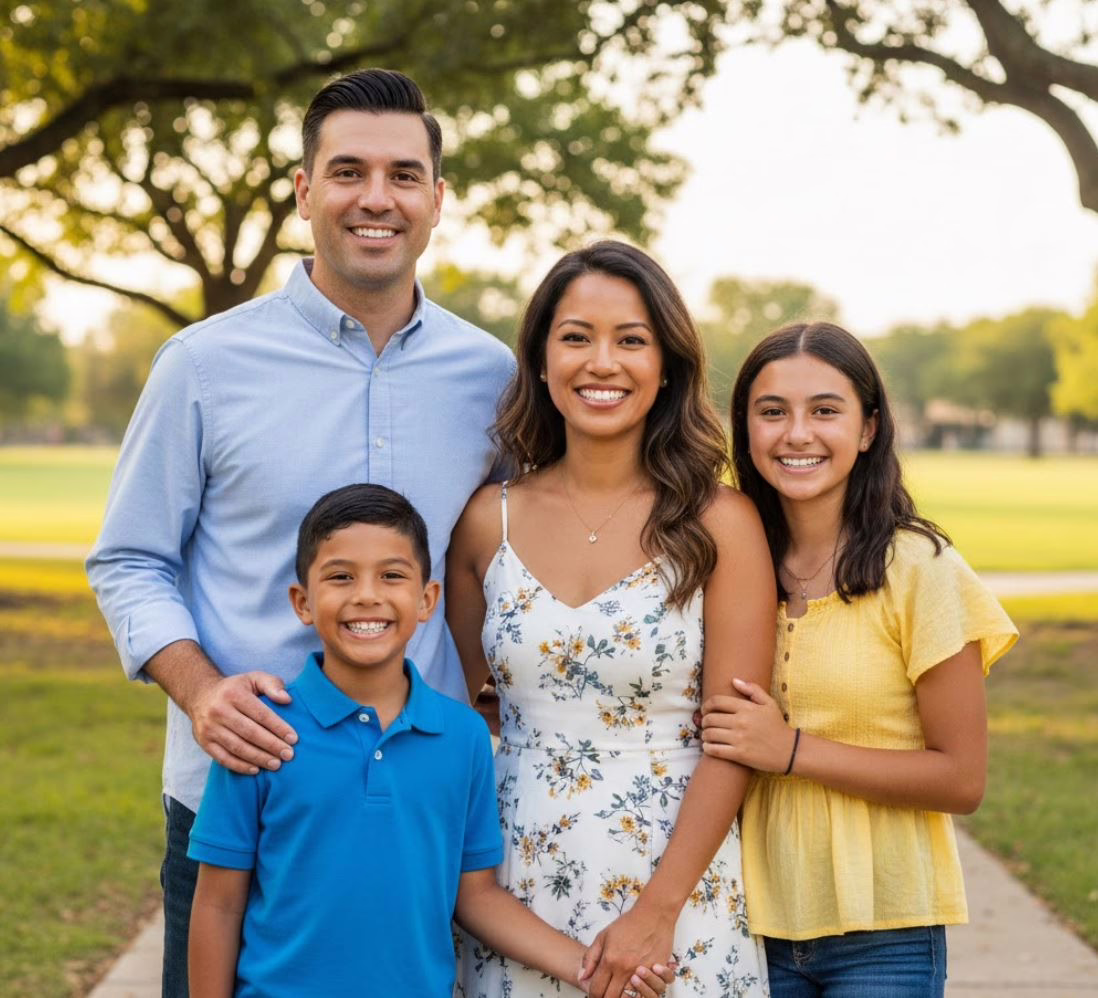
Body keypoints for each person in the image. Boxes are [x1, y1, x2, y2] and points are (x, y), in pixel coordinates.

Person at [85, 69, 515, 996]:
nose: (376, 198)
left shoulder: (493, 378)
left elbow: (514, 560)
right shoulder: (203, 364)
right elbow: (129, 559)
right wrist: (199, 691)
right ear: (304, 191)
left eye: (404, 175)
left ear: (438, 200)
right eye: (348, 170)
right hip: (235, 802)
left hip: (415, 811)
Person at [187, 484, 674, 998]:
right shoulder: (261, 732)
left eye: (392, 576)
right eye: (341, 577)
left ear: (427, 600)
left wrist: (587, 967)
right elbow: (218, 905)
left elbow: (477, 895)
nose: (367, 595)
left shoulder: (462, 736)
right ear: (302, 603)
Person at [448, 240, 773, 998]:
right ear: (538, 360)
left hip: (676, 895)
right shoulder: (483, 523)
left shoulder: (721, 522)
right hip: (514, 883)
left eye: (631, 340)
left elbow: (737, 737)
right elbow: (473, 707)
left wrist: (657, 914)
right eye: (576, 337)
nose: (603, 362)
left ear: (667, 367)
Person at [701, 322, 1018, 997]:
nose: (796, 434)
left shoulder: (921, 569)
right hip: (746, 921)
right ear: (745, 428)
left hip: (885, 936)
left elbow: (962, 780)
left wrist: (790, 750)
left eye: (824, 410)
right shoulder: (726, 562)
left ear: (868, 428)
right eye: (772, 412)